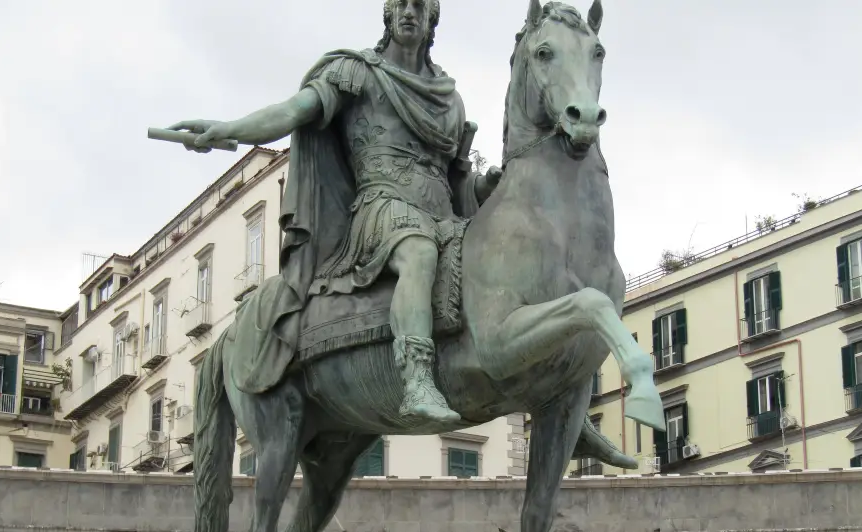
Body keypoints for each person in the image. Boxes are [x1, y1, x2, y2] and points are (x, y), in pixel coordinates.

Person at [169, 0, 636, 467]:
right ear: (388, 16)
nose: (408, 12)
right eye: (399, 5)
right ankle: (416, 377)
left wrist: (483, 187)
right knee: (417, 252)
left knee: (508, 275)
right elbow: (293, 112)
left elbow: (454, 181)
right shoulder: (356, 74)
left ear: (433, 20)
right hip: (381, 209)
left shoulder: (448, 99)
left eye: (419, 6)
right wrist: (229, 129)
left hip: (442, 216)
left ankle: (565, 396)